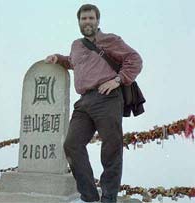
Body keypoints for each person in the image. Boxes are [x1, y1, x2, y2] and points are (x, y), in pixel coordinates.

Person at [45, 4, 143, 203]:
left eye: (91, 18)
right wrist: (59, 58)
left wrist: (117, 80)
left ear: (97, 21)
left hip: (107, 97)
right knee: (72, 144)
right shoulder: (77, 44)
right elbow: (74, 62)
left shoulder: (110, 40)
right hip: (84, 102)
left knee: (111, 148)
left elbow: (135, 59)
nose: (87, 21)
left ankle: (108, 198)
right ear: (79, 22)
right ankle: (89, 197)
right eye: (83, 18)